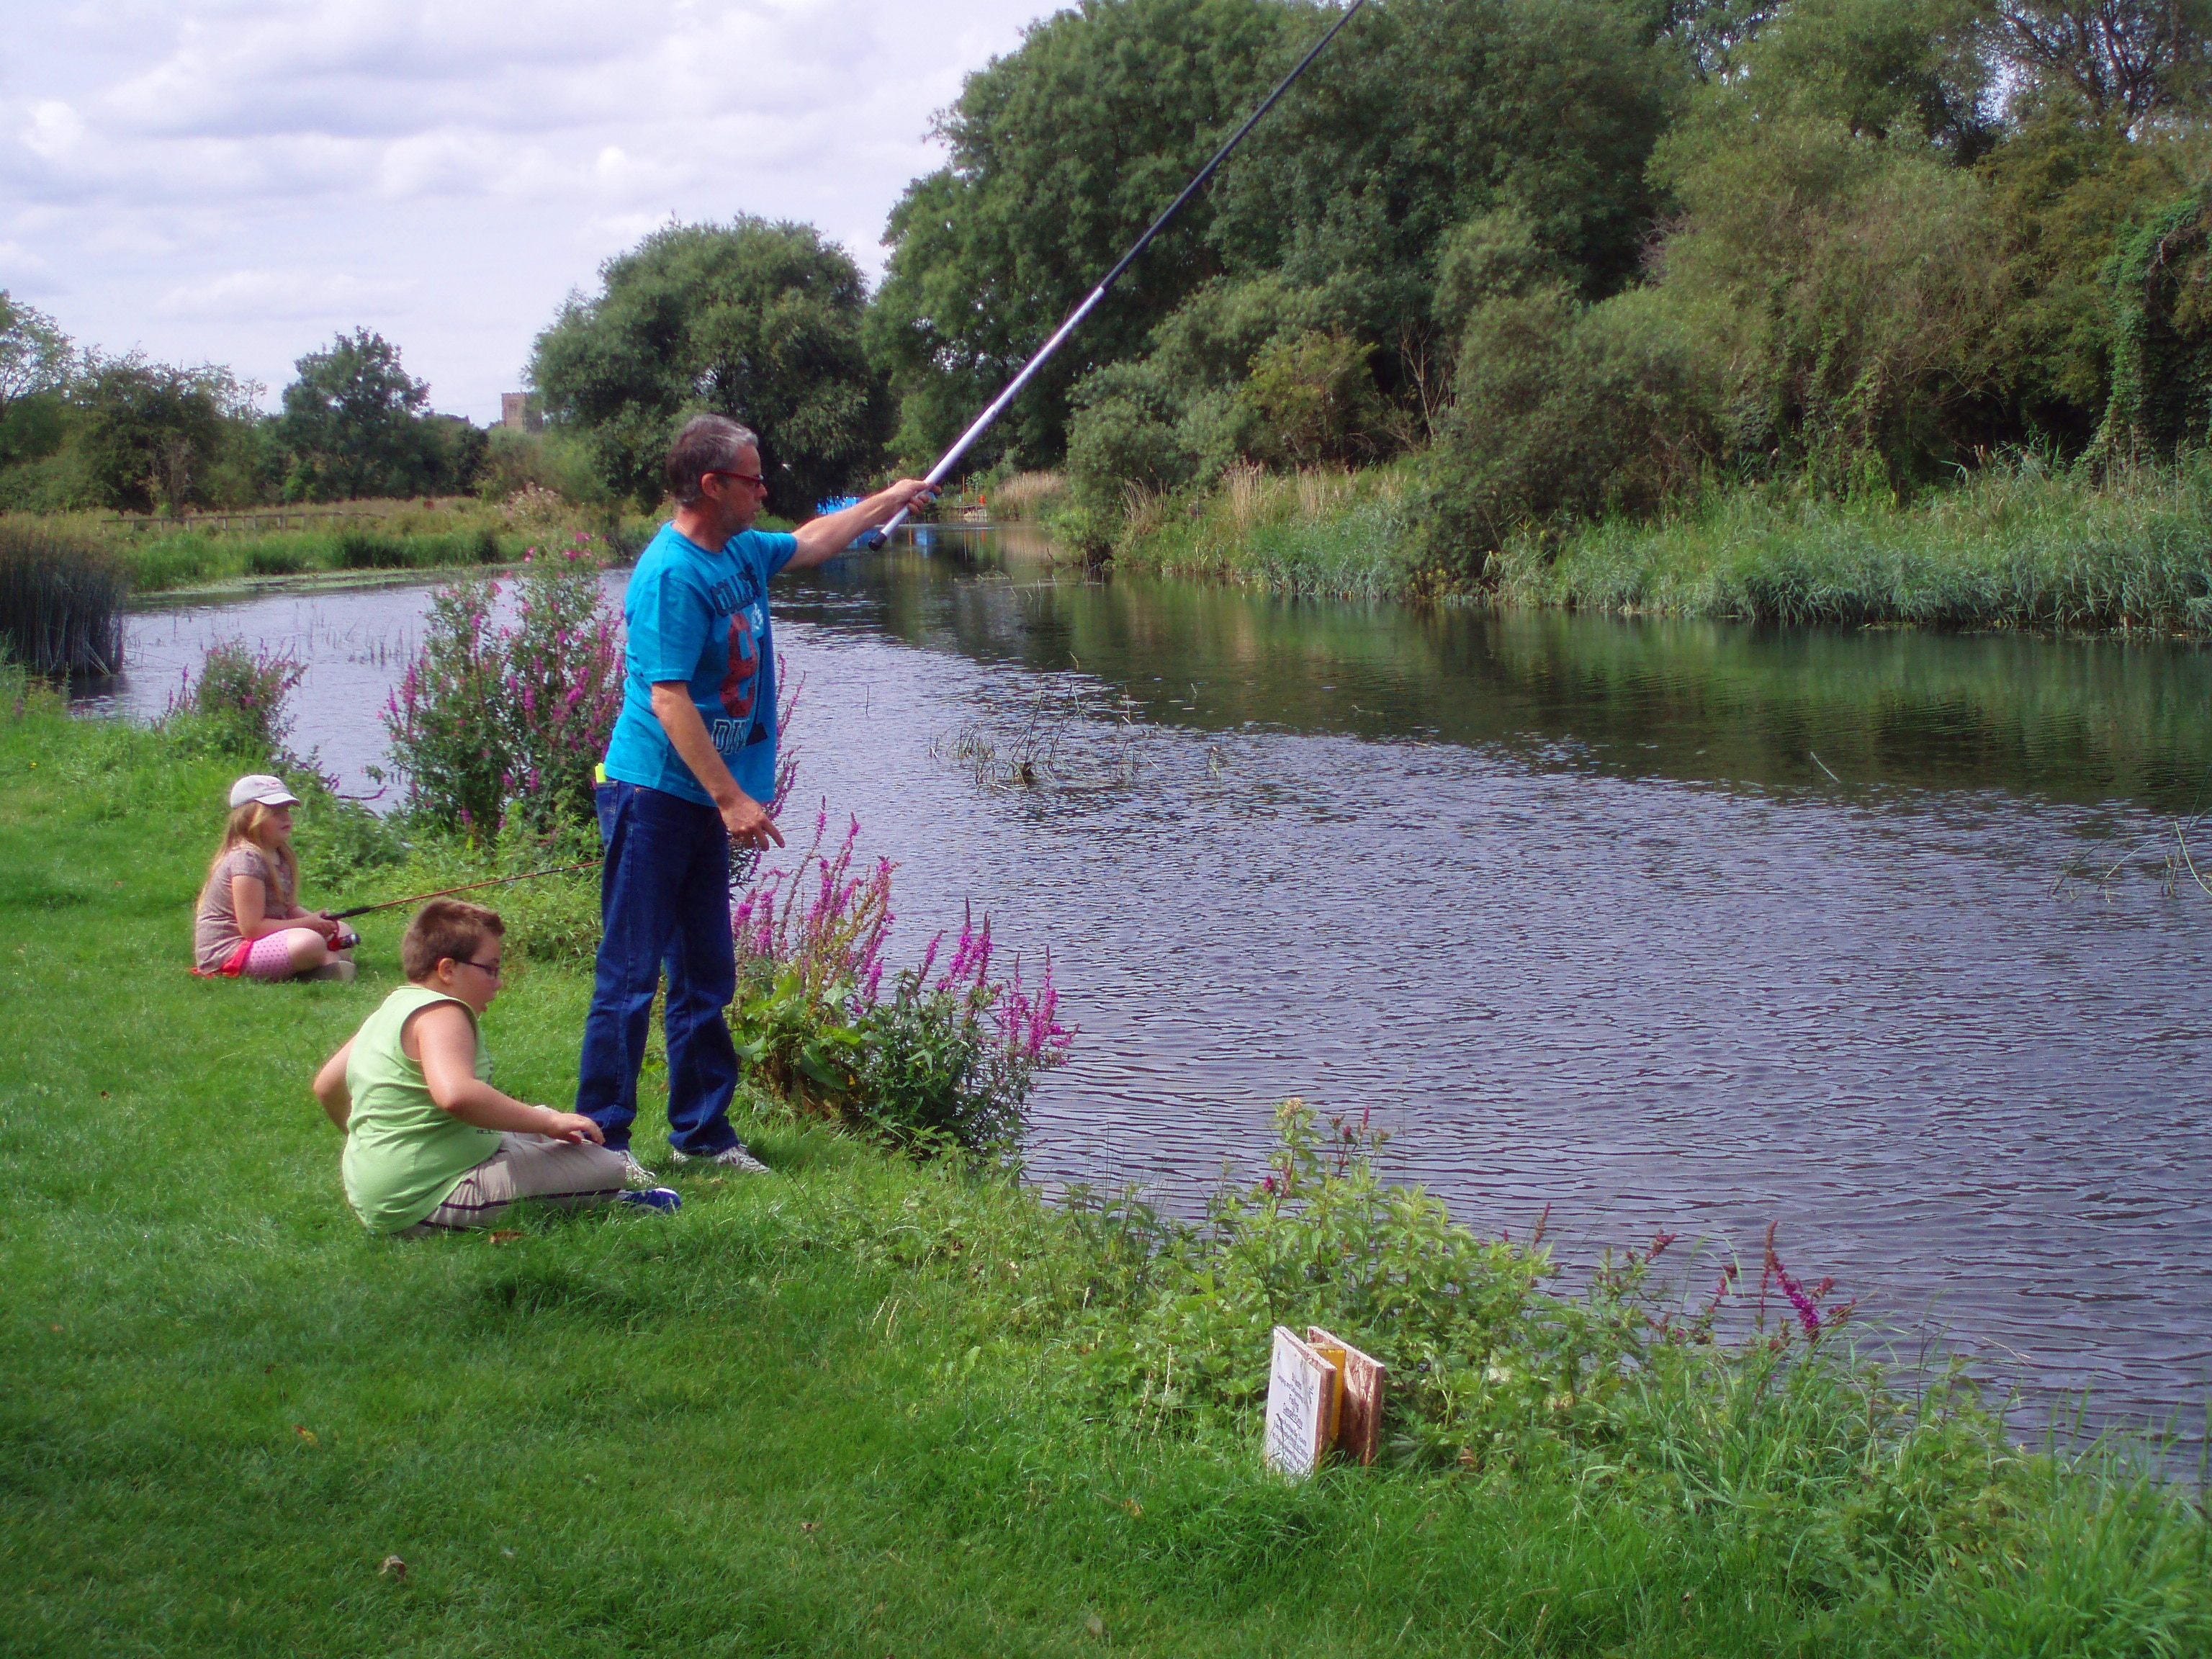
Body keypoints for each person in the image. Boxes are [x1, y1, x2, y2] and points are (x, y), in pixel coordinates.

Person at [577, 414, 936, 1182]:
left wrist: (890, 498)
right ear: (711, 486)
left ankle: (702, 1134)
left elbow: (811, 541)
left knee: (707, 974)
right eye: (751, 477)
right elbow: (668, 699)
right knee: (631, 975)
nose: (763, 488)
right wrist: (731, 799)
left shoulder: (738, 548)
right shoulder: (673, 574)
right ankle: (601, 1144)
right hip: (654, 795)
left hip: (701, 801)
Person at [312, 899, 683, 1236]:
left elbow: (327, 1086)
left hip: (379, 1187)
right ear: (447, 970)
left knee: (543, 1123)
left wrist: (375, 1145)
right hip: (422, 1199)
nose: (499, 982)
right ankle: (608, 1200)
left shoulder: (393, 1007)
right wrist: (550, 1123)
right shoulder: (444, 1012)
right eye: (490, 970)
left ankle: (544, 1168)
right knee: (607, 1167)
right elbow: (457, 1095)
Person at [193, 773, 356, 981]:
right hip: (231, 952)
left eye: (287, 811)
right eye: (276, 813)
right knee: (310, 942)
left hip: (262, 940)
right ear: (250, 818)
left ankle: (321, 966)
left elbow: (288, 909)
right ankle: (324, 965)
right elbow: (252, 928)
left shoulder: (280, 854)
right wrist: (309, 924)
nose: (286, 818)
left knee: (342, 931)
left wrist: (321, 922)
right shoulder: (246, 859)